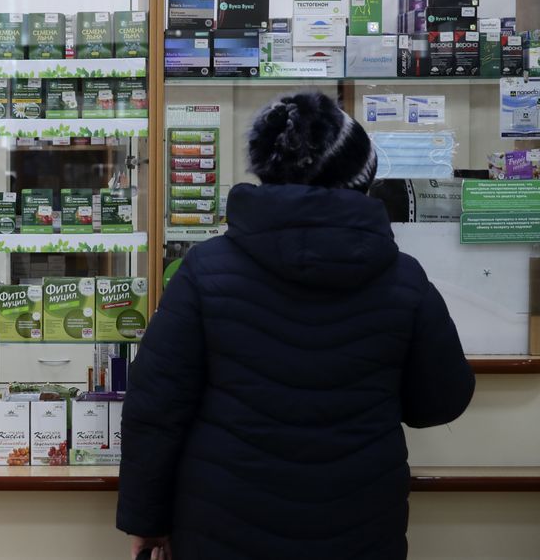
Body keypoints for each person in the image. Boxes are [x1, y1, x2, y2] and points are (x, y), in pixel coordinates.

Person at [117, 92, 475, 560]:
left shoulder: (205, 270)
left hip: (225, 524)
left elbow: (155, 408)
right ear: (363, 179)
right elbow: (440, 401)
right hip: (359, 524)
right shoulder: (403, 277)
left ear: (267, 172)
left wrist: (146, 520)